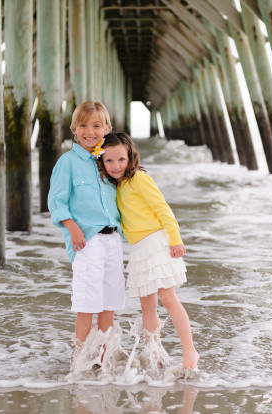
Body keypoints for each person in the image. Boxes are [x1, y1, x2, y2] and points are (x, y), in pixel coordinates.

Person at [97, 131, 199, 372]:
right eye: (109, 160)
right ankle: (154, 351)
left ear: (131, 156)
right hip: (140, 249)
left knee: (168, 298)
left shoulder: (138, 179)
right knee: (147, 306)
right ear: (101, 161)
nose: (115, 165)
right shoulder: (117, 185)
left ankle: (190, 351)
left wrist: (175, 239)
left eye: (121, 159)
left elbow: (162, 208)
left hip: (157, 243)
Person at [48, 101, 124, 370]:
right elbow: (57, 201)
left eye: (96, 125)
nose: (89, 131)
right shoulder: (68, 162)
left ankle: (102, 360)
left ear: (107, 128)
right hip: (87, 241)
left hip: (113, 240)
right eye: (83, 125)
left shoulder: (109, 160)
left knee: (109, 303)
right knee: (87, 303)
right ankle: (80, 360)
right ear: (74, 129)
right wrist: (72, 226)